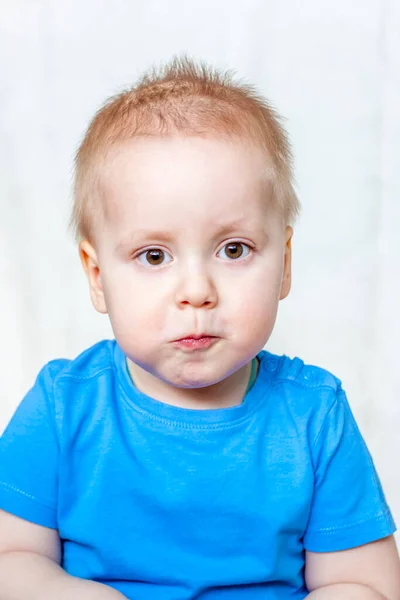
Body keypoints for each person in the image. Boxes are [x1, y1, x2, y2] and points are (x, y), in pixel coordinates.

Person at [0, 58, 399, 600]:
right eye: (154, 254)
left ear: (283, 263)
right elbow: (12, 557)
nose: (196, 290)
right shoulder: (63, 406)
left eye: (233, 249)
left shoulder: (314, 416)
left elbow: (365, 583)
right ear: (97, 276)